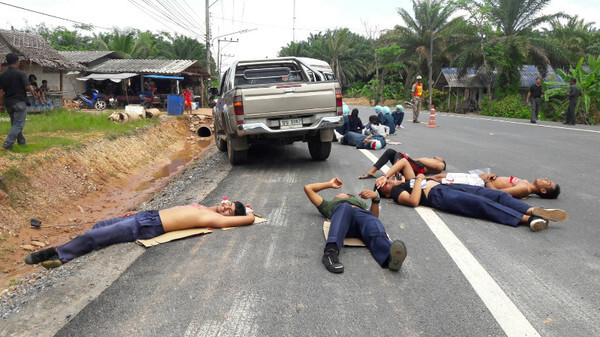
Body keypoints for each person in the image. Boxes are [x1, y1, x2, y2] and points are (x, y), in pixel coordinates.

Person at [24, 200, 254, 269]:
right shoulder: (205, 208)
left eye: (229, 211)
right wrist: (139, 212)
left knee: (92, 237)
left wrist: (249, 214)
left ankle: (55, 254)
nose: (225, 209)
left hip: (147, 227)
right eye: (228, 205)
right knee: (100, 225)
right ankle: (74, 248)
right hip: (146, 217)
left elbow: (248, 219)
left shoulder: (213, 219)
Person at [375, 174, 568, 231]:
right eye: (383, 185)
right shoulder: (396, 192)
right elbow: (414, 200)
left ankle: (534, 209)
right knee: (479, 204)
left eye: (387, 181)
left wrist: (385, 175)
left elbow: (402, 162)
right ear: (384, 192)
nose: (387, 182)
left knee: (495, 195)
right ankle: (528, 219)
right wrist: (418, 180)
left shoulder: (400, 182)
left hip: (449, 186)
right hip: (439, 196)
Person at [304, 177, 407, 273]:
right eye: (341, 194)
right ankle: (330, 253)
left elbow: (374, 217)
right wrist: (329, 184)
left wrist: (375, 199)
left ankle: (390, 258)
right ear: (336, 198)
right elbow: (308, 188)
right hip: (344, 223)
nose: (345, 194)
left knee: (372, 221)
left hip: (362, 219)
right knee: (345, 207)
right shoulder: (329, 205)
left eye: (348, 195)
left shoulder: (361, 205)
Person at [429, 173, 560, 199]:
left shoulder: (524, 189)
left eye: (548, 182)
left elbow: (498, 193)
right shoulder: (525, 182)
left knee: (441, 180)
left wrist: (486, 181)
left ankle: (414, 182)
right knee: (441, 176)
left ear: (542, 190)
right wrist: (493, 176)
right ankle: (415, 180)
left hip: (479, 184)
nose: (546, 179)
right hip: (481, 180)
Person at [0, 53, 34, 151]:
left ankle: (21, 142)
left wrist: (1, 104)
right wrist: (31, 89)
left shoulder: (2, 75)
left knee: (15, 123)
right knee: (18, 124)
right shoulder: (20, 73)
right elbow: (27, 88)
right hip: (19, 101)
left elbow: (1, 92)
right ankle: (8, 143)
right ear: (16, 62)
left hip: (8, 102)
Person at [359, 149, 446, 179]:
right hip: (413, 165)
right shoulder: (432, 159)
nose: (436, 156)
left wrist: (416, 159)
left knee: (400, 155)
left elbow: (433, 166)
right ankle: (372, 172)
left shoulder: (441, 165)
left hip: (419, 169)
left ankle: (393, 175)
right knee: (390, 152)